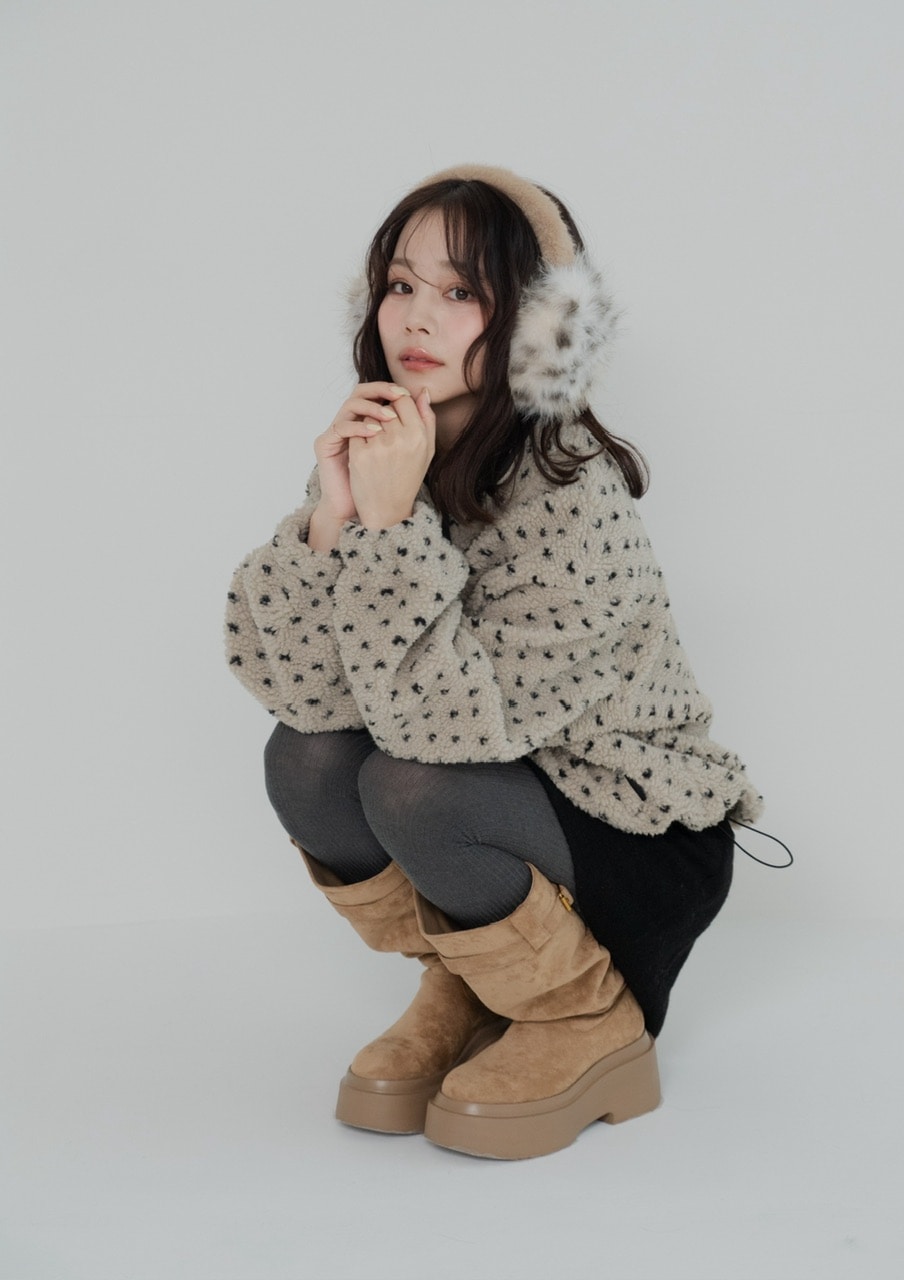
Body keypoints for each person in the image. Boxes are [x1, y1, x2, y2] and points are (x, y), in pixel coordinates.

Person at [225, 164, 762, 1160]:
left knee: (410, 782)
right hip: (498, 796)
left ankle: (580, 1012)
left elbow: (440, 733)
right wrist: (332, 517)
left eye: (462, 290)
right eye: (400, 284)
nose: (417, 317)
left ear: (534, 322)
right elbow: (302, 692)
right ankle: (474, 977)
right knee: (304, 758)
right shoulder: (392, 451)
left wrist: (388, 529)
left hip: (632, 834)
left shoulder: (574, 498)